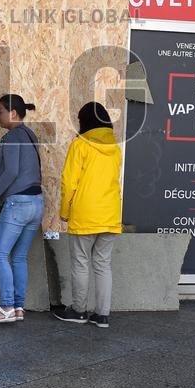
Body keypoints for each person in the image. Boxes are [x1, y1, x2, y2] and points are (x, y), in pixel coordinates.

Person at [0, 94, 44, 324]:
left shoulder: (12, 136)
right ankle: (18, 307)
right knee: (19, 257)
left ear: (13, 113)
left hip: (18, 204)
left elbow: (12, 173)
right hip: (36, 203)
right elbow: (21, 172)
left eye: (0, 110)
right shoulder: (29, 135)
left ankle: (6, 307)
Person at [52, 102, 122, 329]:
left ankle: (79, 311)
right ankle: (102, 315)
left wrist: (64, 212)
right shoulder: (115, 148)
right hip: (110, 214)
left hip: (85, 213)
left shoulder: (80, 145)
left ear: (85, 122)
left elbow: (69, 182)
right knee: (103, 265)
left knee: (81, 263)